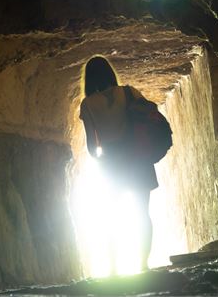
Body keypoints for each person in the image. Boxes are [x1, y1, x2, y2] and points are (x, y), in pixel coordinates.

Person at [79, 55, 159, 273]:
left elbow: (91, 144)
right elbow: (150, 115)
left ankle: (113, 268)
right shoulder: (129, 92)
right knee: (142, 213)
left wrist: (101, 161)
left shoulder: (87, 105)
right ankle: (143, 264)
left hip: (111, 162)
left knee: (111, 216)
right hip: (137, 157)